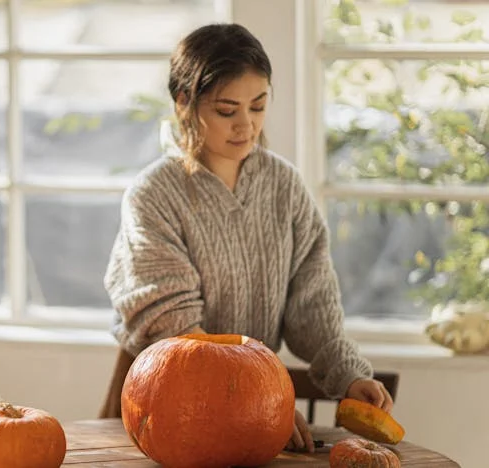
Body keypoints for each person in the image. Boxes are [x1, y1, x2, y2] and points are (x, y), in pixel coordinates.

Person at [103, 23, 393, 454]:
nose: (246, 125)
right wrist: (261, 403)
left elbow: (313, 305)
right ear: (184, 101)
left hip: (256, 403)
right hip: (165, 409)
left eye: (258, 106)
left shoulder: (285, 187)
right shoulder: (153, 195)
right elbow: (175, 327)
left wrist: (349, 375)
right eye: (227, 110)